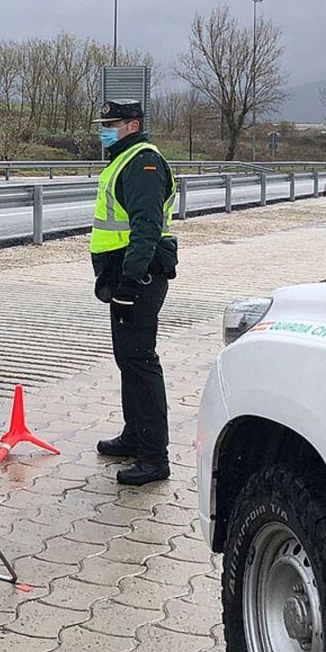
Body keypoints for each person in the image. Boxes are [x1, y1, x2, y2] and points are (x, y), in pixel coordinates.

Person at [90, 99, 178, 486]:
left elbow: (147, 225)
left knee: (141, 362)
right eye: (103, 123)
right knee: (128, 359)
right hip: (125, 276)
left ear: (133, 125)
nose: (104, 129)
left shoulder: (143, 161)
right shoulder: (124, 158)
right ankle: (134, 436)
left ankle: (154, 457)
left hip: (138, 278)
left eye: (112, 123)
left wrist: (130, 278)